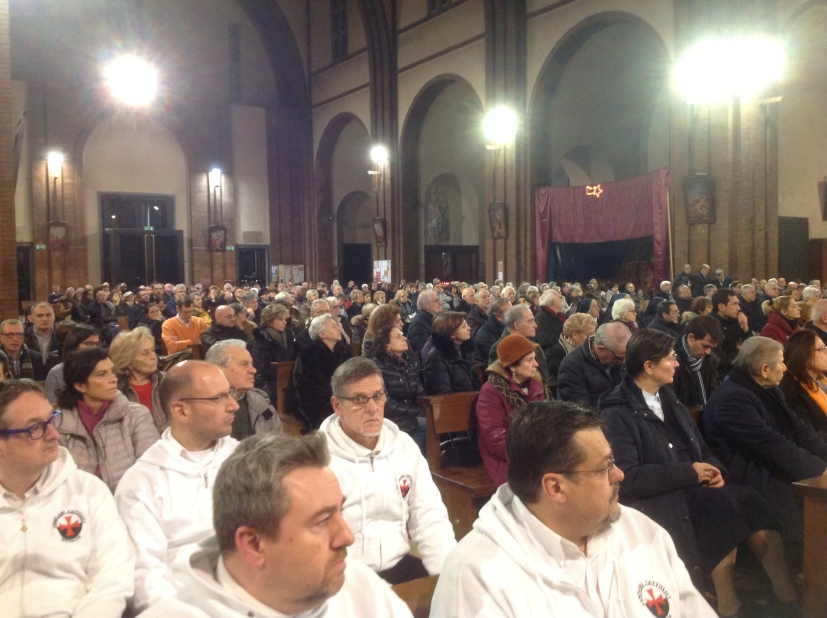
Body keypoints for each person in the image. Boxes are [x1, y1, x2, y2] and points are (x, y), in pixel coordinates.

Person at [430, 400, 717, 617]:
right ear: (556, 487)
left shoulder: (642, 532)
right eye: (605, 467)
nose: (619, 474)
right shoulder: (477, 577)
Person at [600, 329, 797, 615]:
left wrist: (715, 470)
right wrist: (690, 473)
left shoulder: (668, 398)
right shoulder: (618, 411)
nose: (677, 363)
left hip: (692, 484)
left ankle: (785, 592)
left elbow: (701, 446)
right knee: (718, 507)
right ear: (649, 366)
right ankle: (727, 603)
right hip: (659, 496)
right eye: (671, 358)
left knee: (751, 499)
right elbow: (629, 477)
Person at [139, 431, 413, 618]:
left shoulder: (360, 586)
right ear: (253, 545)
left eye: (341, 511)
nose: (347, 536)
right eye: (322, 521)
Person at [0, 380, 135, 617]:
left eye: (52, 420)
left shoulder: (87, 490)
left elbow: (113, 575)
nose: (54, 434)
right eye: (35, 428)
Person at [114, 361, 240, 613]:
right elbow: (146, 580)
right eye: (218, 398)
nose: (233, 405)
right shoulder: (142, 482)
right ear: (181, 410)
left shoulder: (245, 459)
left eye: (230, 393)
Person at [321, 358, 456, 583]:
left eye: (378, 396)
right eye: (359, 399)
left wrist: (447, 577)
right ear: (337, 406)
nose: (372, 408)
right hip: (344, 576)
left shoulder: (403, 446)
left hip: (398, 564)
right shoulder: (318, 460)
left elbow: (429, 516)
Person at [702, 336, 827, 557]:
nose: (786, 367)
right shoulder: (733, 399)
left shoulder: (767, 388)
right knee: (805, 491)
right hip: (744, 471)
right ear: (765, 369)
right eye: (781, 362)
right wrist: (819, 469)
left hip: (764, 460)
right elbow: (772, 445)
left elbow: (799, 429)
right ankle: (806, 562)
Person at [56, 347, 159, 491]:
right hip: (79, 501)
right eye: (102, 374)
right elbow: (57, 480)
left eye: (112, 371)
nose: (114, 379)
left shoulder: (137, 415)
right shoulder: (58, 424)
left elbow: (151, 469)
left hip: (130, 498)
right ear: (80, 386)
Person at [477, 334, 549, 486]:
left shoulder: (536, 384)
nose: (536, 364)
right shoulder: (491, 391)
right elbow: (495, 438)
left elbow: (550, 420)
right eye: (530, 360)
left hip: (538, 450)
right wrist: (533, 452)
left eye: (535, 358)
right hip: (509, 456)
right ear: (512, 366)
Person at [205, 339, 281, 439]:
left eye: (252, 364)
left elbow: (278, 445)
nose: (253, 370)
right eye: (244, 364)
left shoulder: (263, 405)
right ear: (218, 370)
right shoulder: (199, 409)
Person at [371, 324, 426, 451]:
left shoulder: (408, 363)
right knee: (426, 425)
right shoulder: (376, 366)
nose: (405, 338)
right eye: (398, 337)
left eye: (403, 335)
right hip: (390, 418)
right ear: (387, 345)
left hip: (411, 415)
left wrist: (425, 410)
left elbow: (420, 392)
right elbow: (385, 402)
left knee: (432, 422)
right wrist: (415, 412)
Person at [293, 314, 353, 428]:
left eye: (337, 326)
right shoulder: (309, 354)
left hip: (343, 398)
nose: (338, 329)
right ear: (322, 334)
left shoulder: (344, 351)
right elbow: (306, 388)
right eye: (333, 327)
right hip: (318, 404)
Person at [557, 321, 630, 408]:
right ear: (601, 349)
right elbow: (579, 409)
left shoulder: (618, 354)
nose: (624, 361)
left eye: (626, 356)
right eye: (619, 357)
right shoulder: (571, 366)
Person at [109, 326, 167, 433]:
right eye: (145, 353)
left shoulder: (168, 381)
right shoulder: (114, 389)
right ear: (128, 361)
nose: (153, 356)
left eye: (153, 350)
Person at [670, 315, 723, 416]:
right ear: (690, 337)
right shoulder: (670, 360)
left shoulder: (710, 360)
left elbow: (713, 389)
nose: (708, 352)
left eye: (712, 347)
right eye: (705, 346)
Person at [780, 329, 827, 442]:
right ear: (804, 355)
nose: (826, 353)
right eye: (821, 349)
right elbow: (808, 435)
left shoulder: (821, 380)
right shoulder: (791, 390)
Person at [424, 311, 480, 395]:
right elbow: (443, 392)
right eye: (463, 326)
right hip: (452, 402)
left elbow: (476, 383)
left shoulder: (466, 351)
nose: (469, 328)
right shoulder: (437, 357)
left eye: (467, 324)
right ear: (452, 334)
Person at [249, 301, 294, 402]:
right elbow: (263, 368)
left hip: (286, 379)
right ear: (269, 321)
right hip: (268, 382)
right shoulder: (261, 340)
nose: (284, 322)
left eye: (285, 319)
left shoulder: (288, 336)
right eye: (280, 319)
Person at [44, 324, 100, 404]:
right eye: (89, 343)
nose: (95, 348)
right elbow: (52, 406)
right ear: (74, 345)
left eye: (96, 344)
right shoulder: (56, 373)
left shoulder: (104, 370)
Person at [711, 288, 751, 381]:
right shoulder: (710, 326)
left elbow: (750, 347)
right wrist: (739, 351)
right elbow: (720, 360)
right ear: (721, 307)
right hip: (722, 375)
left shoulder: (735, 320)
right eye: (734, 304)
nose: (739, 308)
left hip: (739, 368)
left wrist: (745, 329)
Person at [474, 297, 512, 364]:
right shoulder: (485, 333)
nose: (514, 315)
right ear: (498, 316)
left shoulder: (506, 326)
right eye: (510, 313)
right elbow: (497, 357)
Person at [24, 301, 60, 365]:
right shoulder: (23, 336)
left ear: (54, 317)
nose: (45, 319)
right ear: (31, 318)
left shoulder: (62, 335)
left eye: (48, 315)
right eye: (40, 316)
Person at [535, 289, 567, 361]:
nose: (561, 300)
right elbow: (544, 339)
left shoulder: (560, 315)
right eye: (559, 298)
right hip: (551, 355)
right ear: (554, 302)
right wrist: (564, 342)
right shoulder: (541, 317)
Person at [407, 289, 441, 354]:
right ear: (427, 305)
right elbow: (424, 350)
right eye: (436, 300)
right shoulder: (418, 324)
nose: (440, 303)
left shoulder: (434, 319)